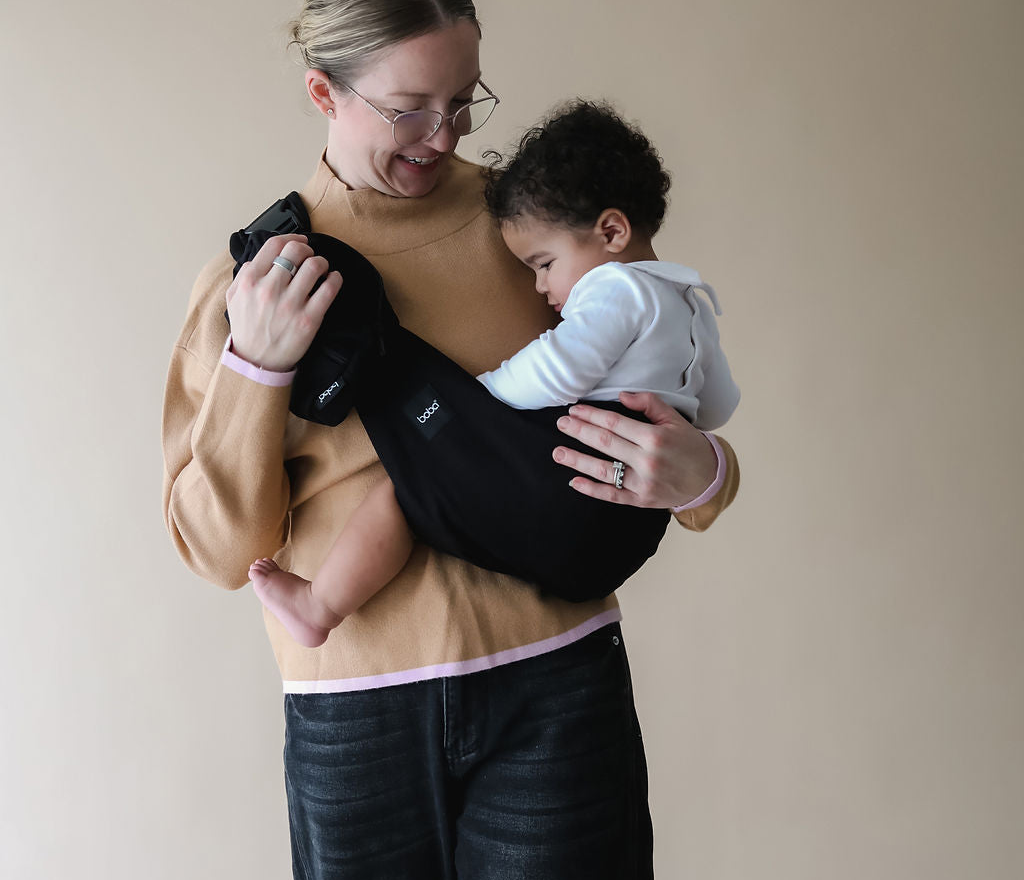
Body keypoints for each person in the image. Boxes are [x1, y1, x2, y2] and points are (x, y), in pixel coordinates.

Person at [161, 0, 740, 880]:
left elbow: (668, 379)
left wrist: (708, 474)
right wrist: (255, 366)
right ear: (323, 92)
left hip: (554, 696)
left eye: (464, 100)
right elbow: (216, 550)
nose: (444, 134)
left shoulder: (533, 227)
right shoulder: (252, 281)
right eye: (409, 108)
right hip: (357, 722)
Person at [247, 99, 740, 649]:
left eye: (545, 264)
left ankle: (320, 605)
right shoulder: (690, 299)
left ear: (611, 231)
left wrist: (475, 401)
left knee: (409, 491)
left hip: (566, 478)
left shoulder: (617, 287)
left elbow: (561, 366)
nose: (541, 287)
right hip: (628, 528)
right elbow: (718, 405)